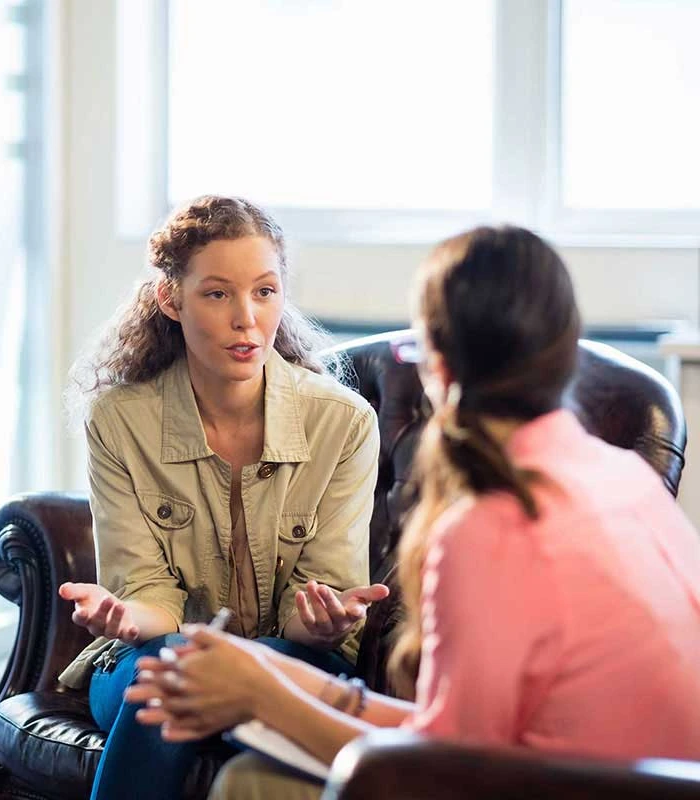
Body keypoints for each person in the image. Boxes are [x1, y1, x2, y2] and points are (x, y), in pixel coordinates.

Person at [127, 225, 700, 799]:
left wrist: (262, 696)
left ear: (440, 368)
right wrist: (278, 676)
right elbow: (457, 734)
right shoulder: (624, 477)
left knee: (250, 784)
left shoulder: (489, 527)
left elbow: (443, 771)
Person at [57, 195, 388, 800]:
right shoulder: (119, 419)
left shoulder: (344, 423)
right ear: (170, 299)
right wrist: (129, 617)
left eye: (264, 291)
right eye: (217, 294)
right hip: (151, 655)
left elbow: (320, 609)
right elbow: (147, 592)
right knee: (176, 668)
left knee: (210, 684)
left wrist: (320, 620)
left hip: (294, 658)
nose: (247, 319)